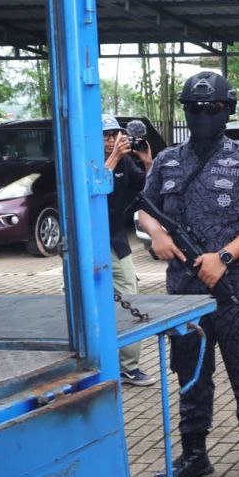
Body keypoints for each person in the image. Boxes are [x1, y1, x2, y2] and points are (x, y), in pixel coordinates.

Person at [137, 71, 239, 477]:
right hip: (184, 290)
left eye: (212, 108)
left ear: (227, 110)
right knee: (190, 371)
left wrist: (224, 257)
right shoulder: (167, 161)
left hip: (236, 287)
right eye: (194, 108)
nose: (202, 114)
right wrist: (156, 234)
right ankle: (194, 453)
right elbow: (145, 208)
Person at [103, 114, 154, 387]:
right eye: (106, 136)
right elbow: (92, 190)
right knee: (85, 302)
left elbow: (147, 189)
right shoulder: (82, 161)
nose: (112, 141)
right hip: (85, 243)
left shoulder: (124, 161)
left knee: (130, 297)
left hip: (115, 241)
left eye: (115, 135)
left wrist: (147, 162)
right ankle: (94, 363)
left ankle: (128, 367)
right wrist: (112, 159)